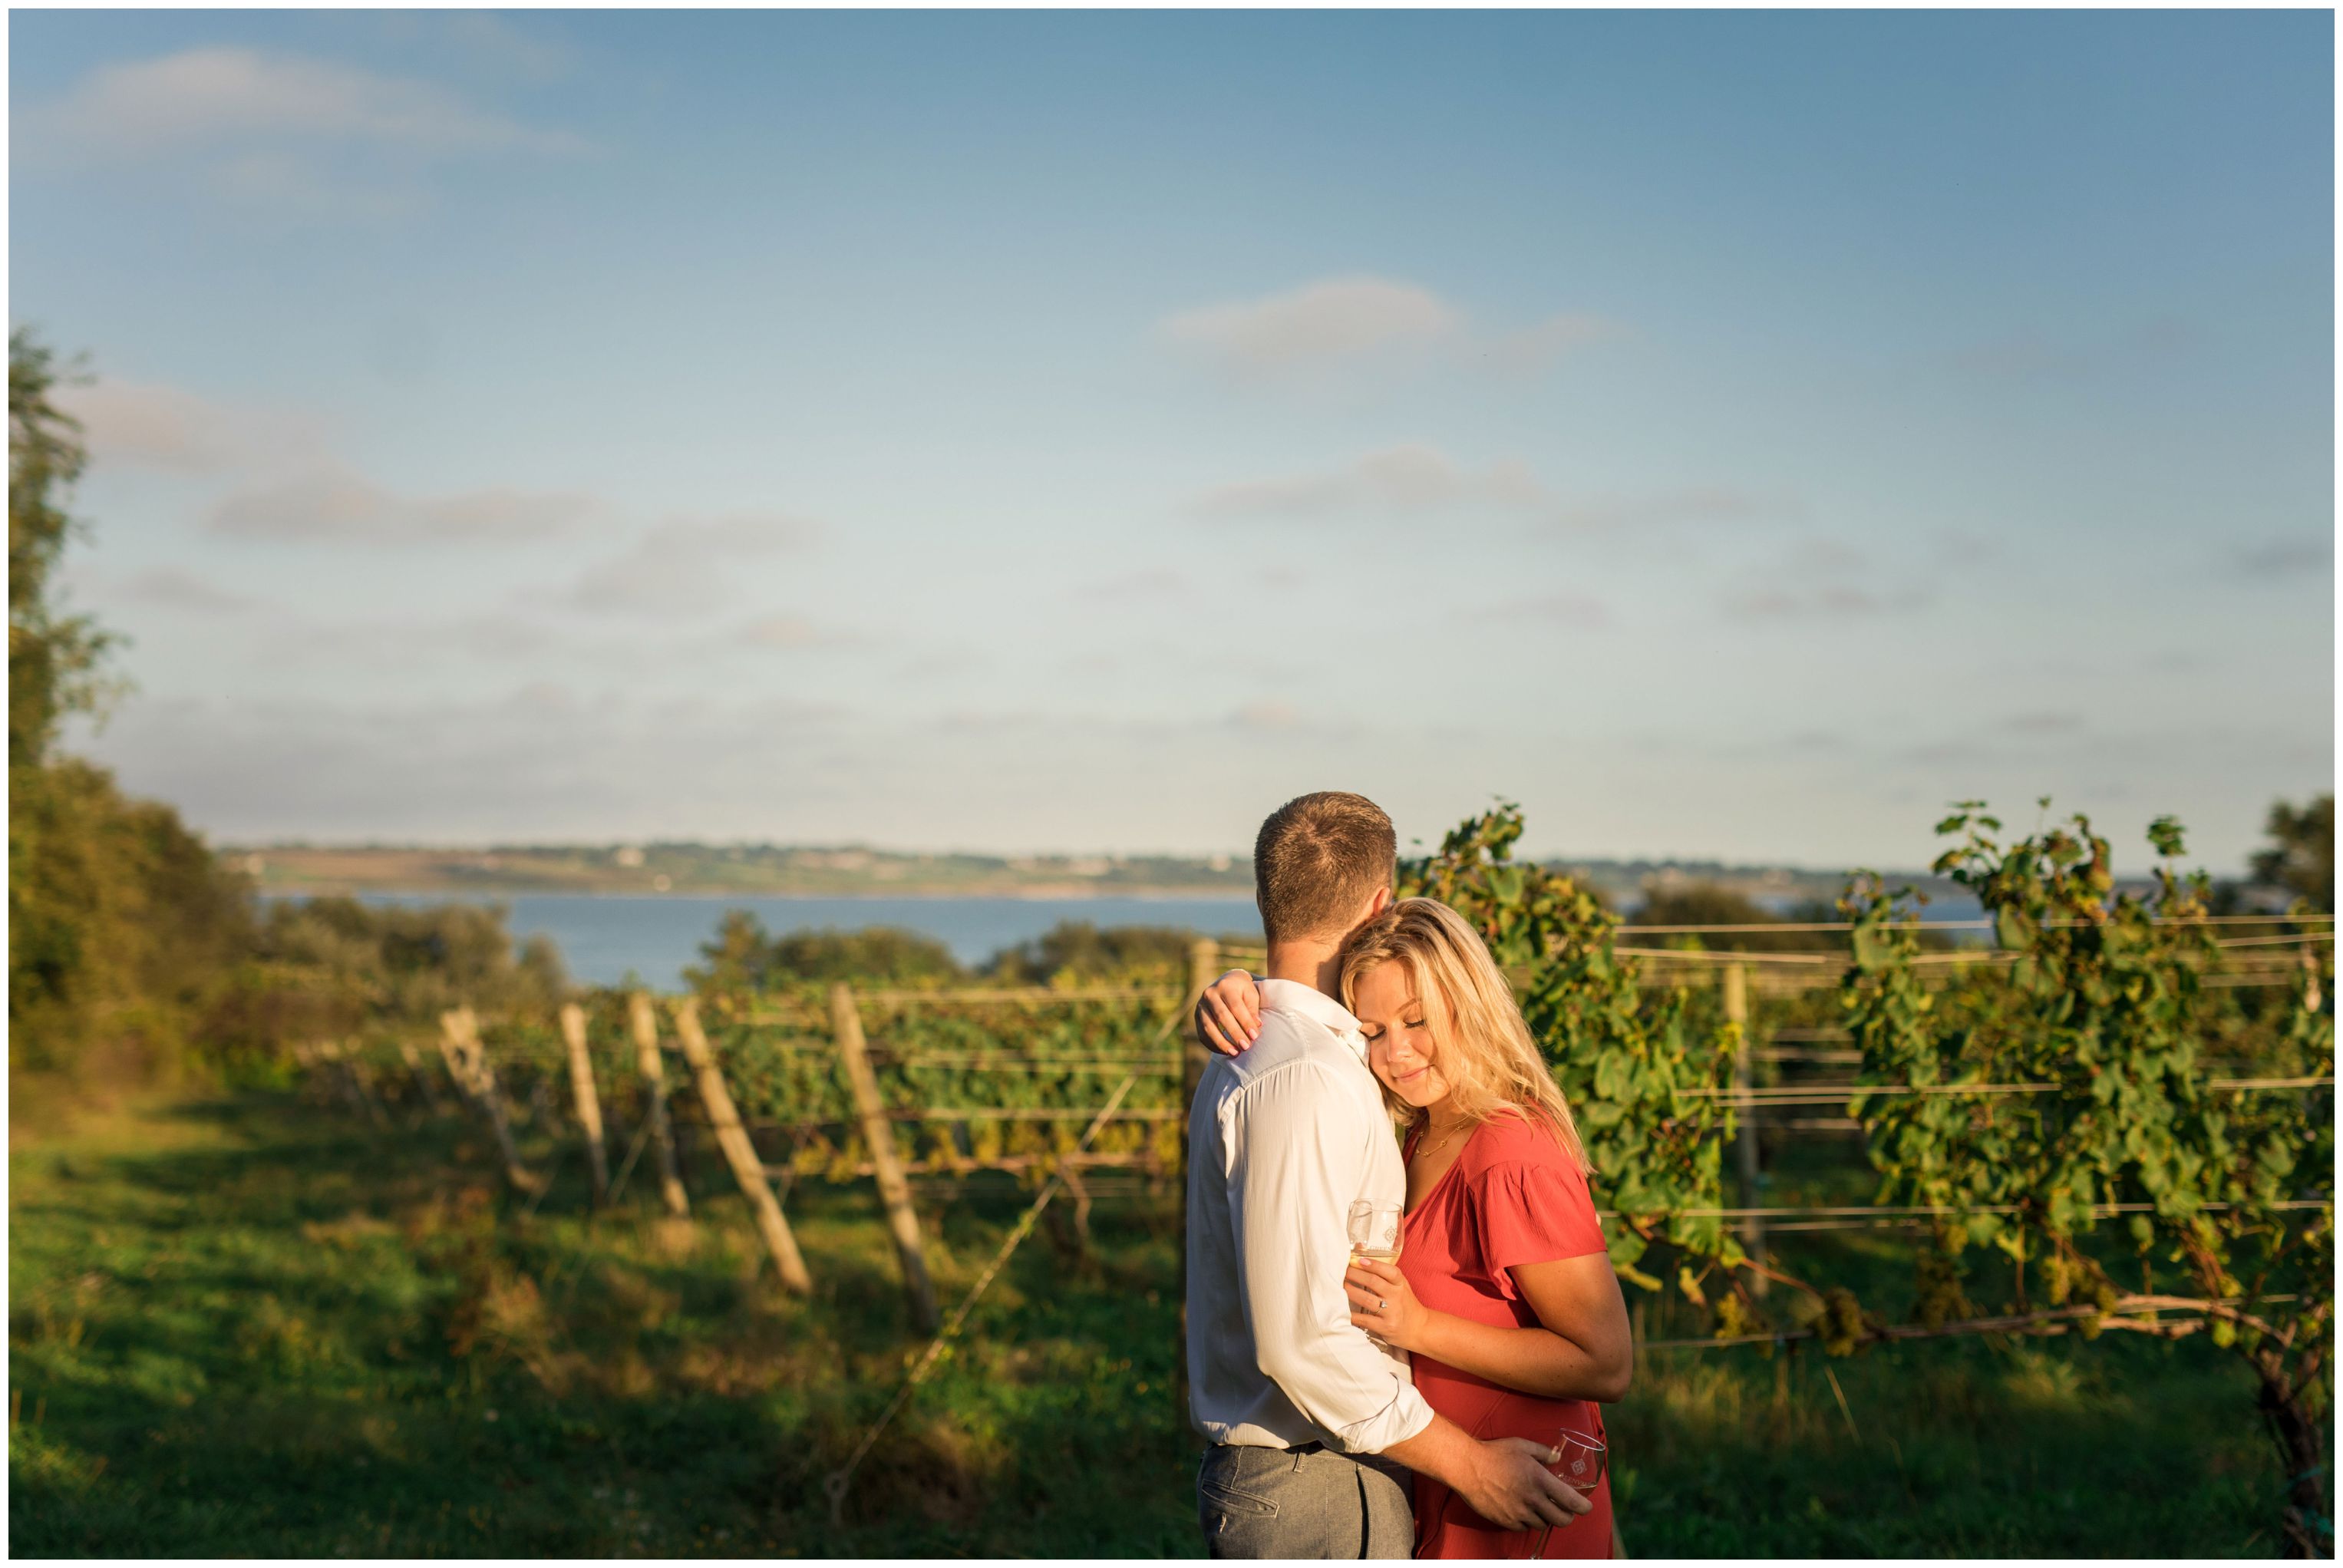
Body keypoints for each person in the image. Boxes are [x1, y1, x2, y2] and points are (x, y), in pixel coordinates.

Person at [1187, 792, 1594, 1558]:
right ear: (1378, 905)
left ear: (1263, 897)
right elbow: (1300, 1341)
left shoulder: (1273, 1052)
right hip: (1313, 1475)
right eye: (1381, 1030)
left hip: (1337, 1464)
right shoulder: (1305, 1075)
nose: (1396, 1047)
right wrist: (1468, 1463)